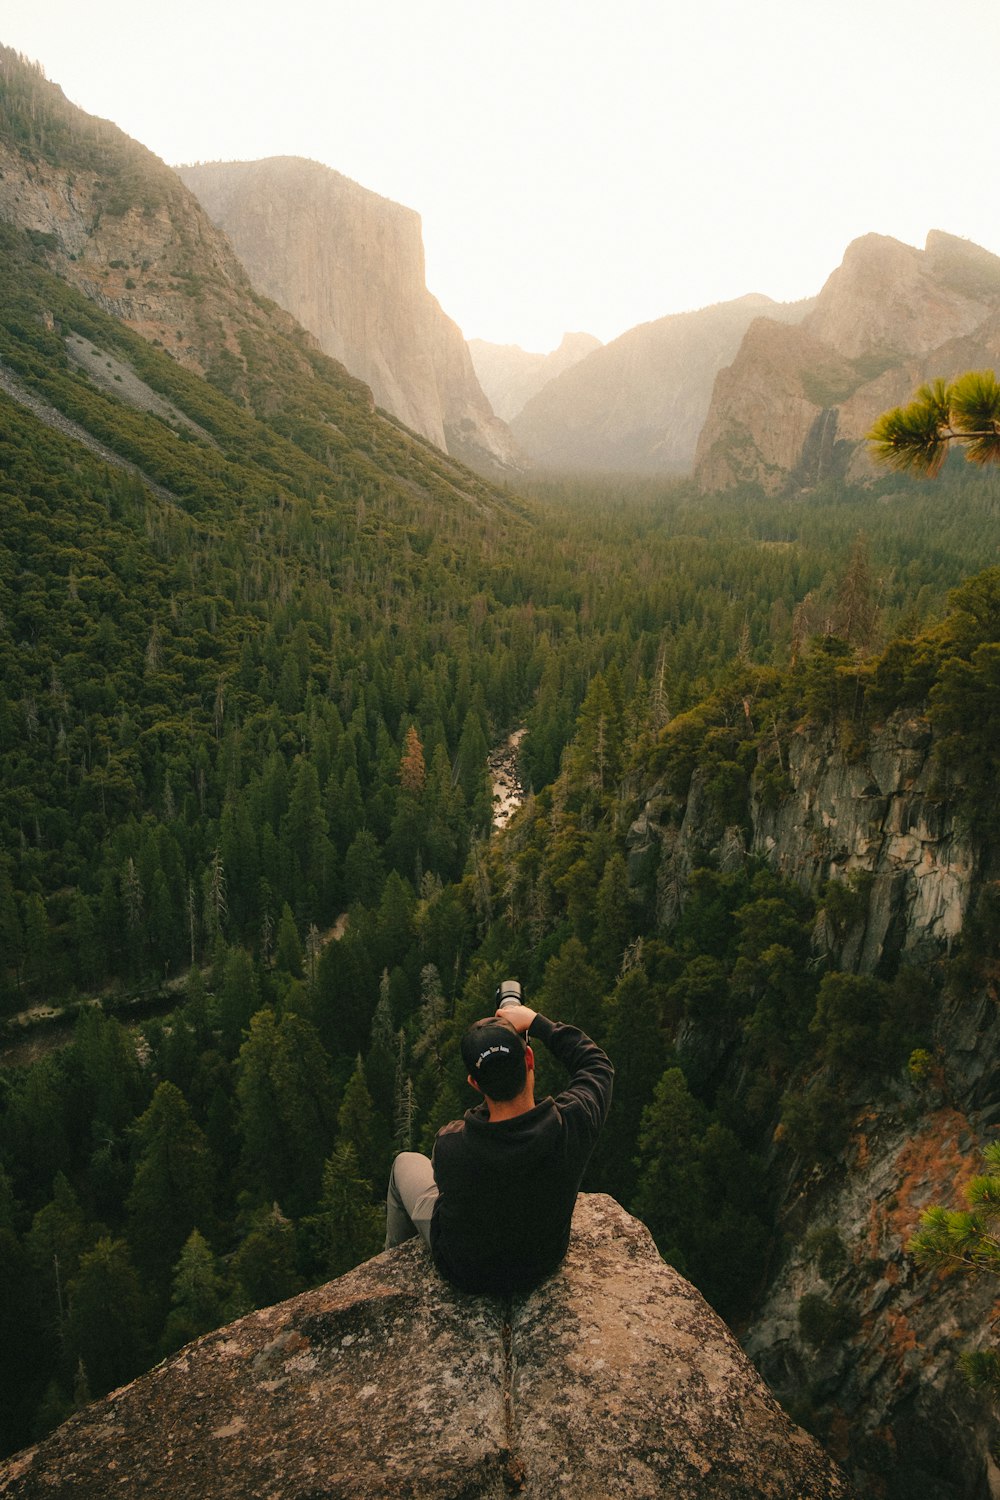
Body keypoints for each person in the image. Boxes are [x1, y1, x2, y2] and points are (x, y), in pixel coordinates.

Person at [385, 991, 613, 1295]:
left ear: (474, 1083)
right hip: (541, 1264)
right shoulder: (572, 1125)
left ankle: (391, 1268)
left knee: (405, 1163)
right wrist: (538, 1023)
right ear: (529, 1059)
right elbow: (597, 1065)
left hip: (466, 1274)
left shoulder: (451, 1145)